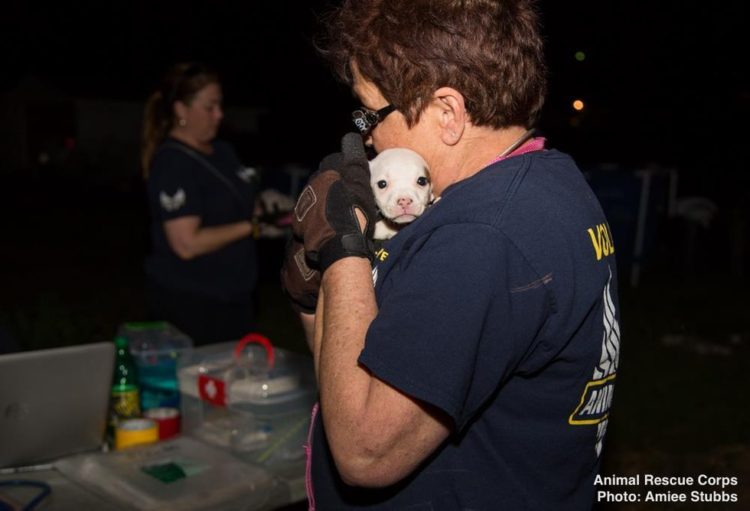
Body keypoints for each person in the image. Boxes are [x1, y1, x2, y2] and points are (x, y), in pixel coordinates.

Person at [281, 0, 622, 509]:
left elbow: (364, 452)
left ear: (448, 112)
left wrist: (341, 249)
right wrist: (320, 285)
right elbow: (351, 370)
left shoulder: (481, 236)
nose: (366, 134)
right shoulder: (545, 181)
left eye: (370, 112)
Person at [141, 62, 258, 346]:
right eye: (210, 107)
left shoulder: (223, 151)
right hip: (193, 305)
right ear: (181, 110)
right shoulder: (173, 162)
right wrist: (252, 227)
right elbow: (186, 244)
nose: (219, 115)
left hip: (235, 298)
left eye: (220, 106)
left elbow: (239, 205)